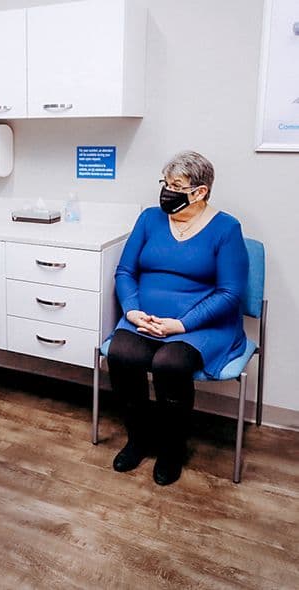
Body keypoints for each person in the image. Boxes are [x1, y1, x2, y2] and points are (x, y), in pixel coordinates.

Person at [108, 150, 248, 486]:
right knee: (121, 355)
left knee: (170, 363)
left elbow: (231, 293)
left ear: (200, 192)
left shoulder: (226, 229)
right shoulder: (149, 219)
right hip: (145, 316)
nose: (167, 191)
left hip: (200, 324)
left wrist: (182, 324)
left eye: (176, 185)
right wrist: (132, 309)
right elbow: (125, 271)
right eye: (165, 183)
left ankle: (172, 449)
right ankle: (138, 439)